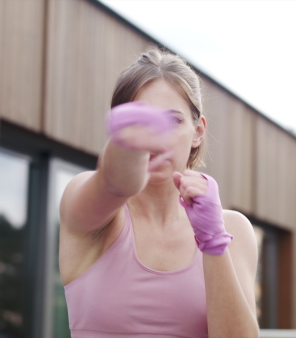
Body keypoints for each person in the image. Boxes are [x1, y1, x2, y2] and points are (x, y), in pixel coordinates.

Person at [59, 47, 259, 337]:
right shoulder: (90, 203)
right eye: (141, 122)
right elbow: (114, 183)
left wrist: (213, 241)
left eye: (173, 121)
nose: (156, 136)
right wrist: (129, 150)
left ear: (198, 131)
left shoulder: (234, 230)